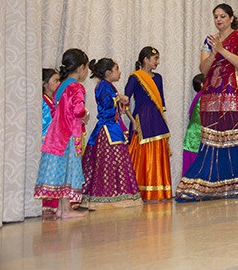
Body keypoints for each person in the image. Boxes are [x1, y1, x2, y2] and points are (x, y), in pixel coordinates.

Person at [176, 4, 238, 201]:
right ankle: (216, 185)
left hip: (235, 94)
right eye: (216, 17)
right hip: (212, 96)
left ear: (230, 18)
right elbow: (204, 69)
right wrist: (214, 52)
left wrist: (222, 50)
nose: (219, 20)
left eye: (222, 16)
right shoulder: (209, 40)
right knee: (214, 139)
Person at [34, 49, 90, 219]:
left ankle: (62, 208)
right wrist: (85, 115)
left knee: (62, 170)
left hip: (56, 133)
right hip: (69, 134)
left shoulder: (62, 85)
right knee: (69, 170)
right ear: (81, 68)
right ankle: (65, 209)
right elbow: (78, 109)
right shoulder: (76, 87)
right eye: (86, 67)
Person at [82, 58, 143, 209]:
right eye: (117, 69)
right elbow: (106, 104)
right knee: (108, 163)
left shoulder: (108, 86)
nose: (120, 72)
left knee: (117, 162)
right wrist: (118, 98)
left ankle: (118, 195)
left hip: (113, 127)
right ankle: (105, 198)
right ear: (109, 72)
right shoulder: (103, 86)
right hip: (107, 129)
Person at [125, 47, 172, 201]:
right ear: (145, 59)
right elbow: (125, 101)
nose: (157, 62)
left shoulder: (158, 78)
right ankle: (142, 191)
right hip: (142, 118)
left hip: (156, 118)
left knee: (158, 151)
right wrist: (132, 121)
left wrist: (163, 118)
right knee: (142, 153)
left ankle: (159, 191)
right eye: (155, 59)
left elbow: (162, 102)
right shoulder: (135, 77)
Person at [41, 68, 60, 216]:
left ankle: (55, 202)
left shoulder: (55, 99)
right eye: (55, 80)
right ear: (45, 84)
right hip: (46, 140)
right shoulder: (42, 101)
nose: (58, 83)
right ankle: (47, 203)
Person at [182, 73, 206, 176]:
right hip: (196, 136)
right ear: (202, 84)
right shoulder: (203, 97)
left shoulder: (199, 96)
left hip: (195, 134)